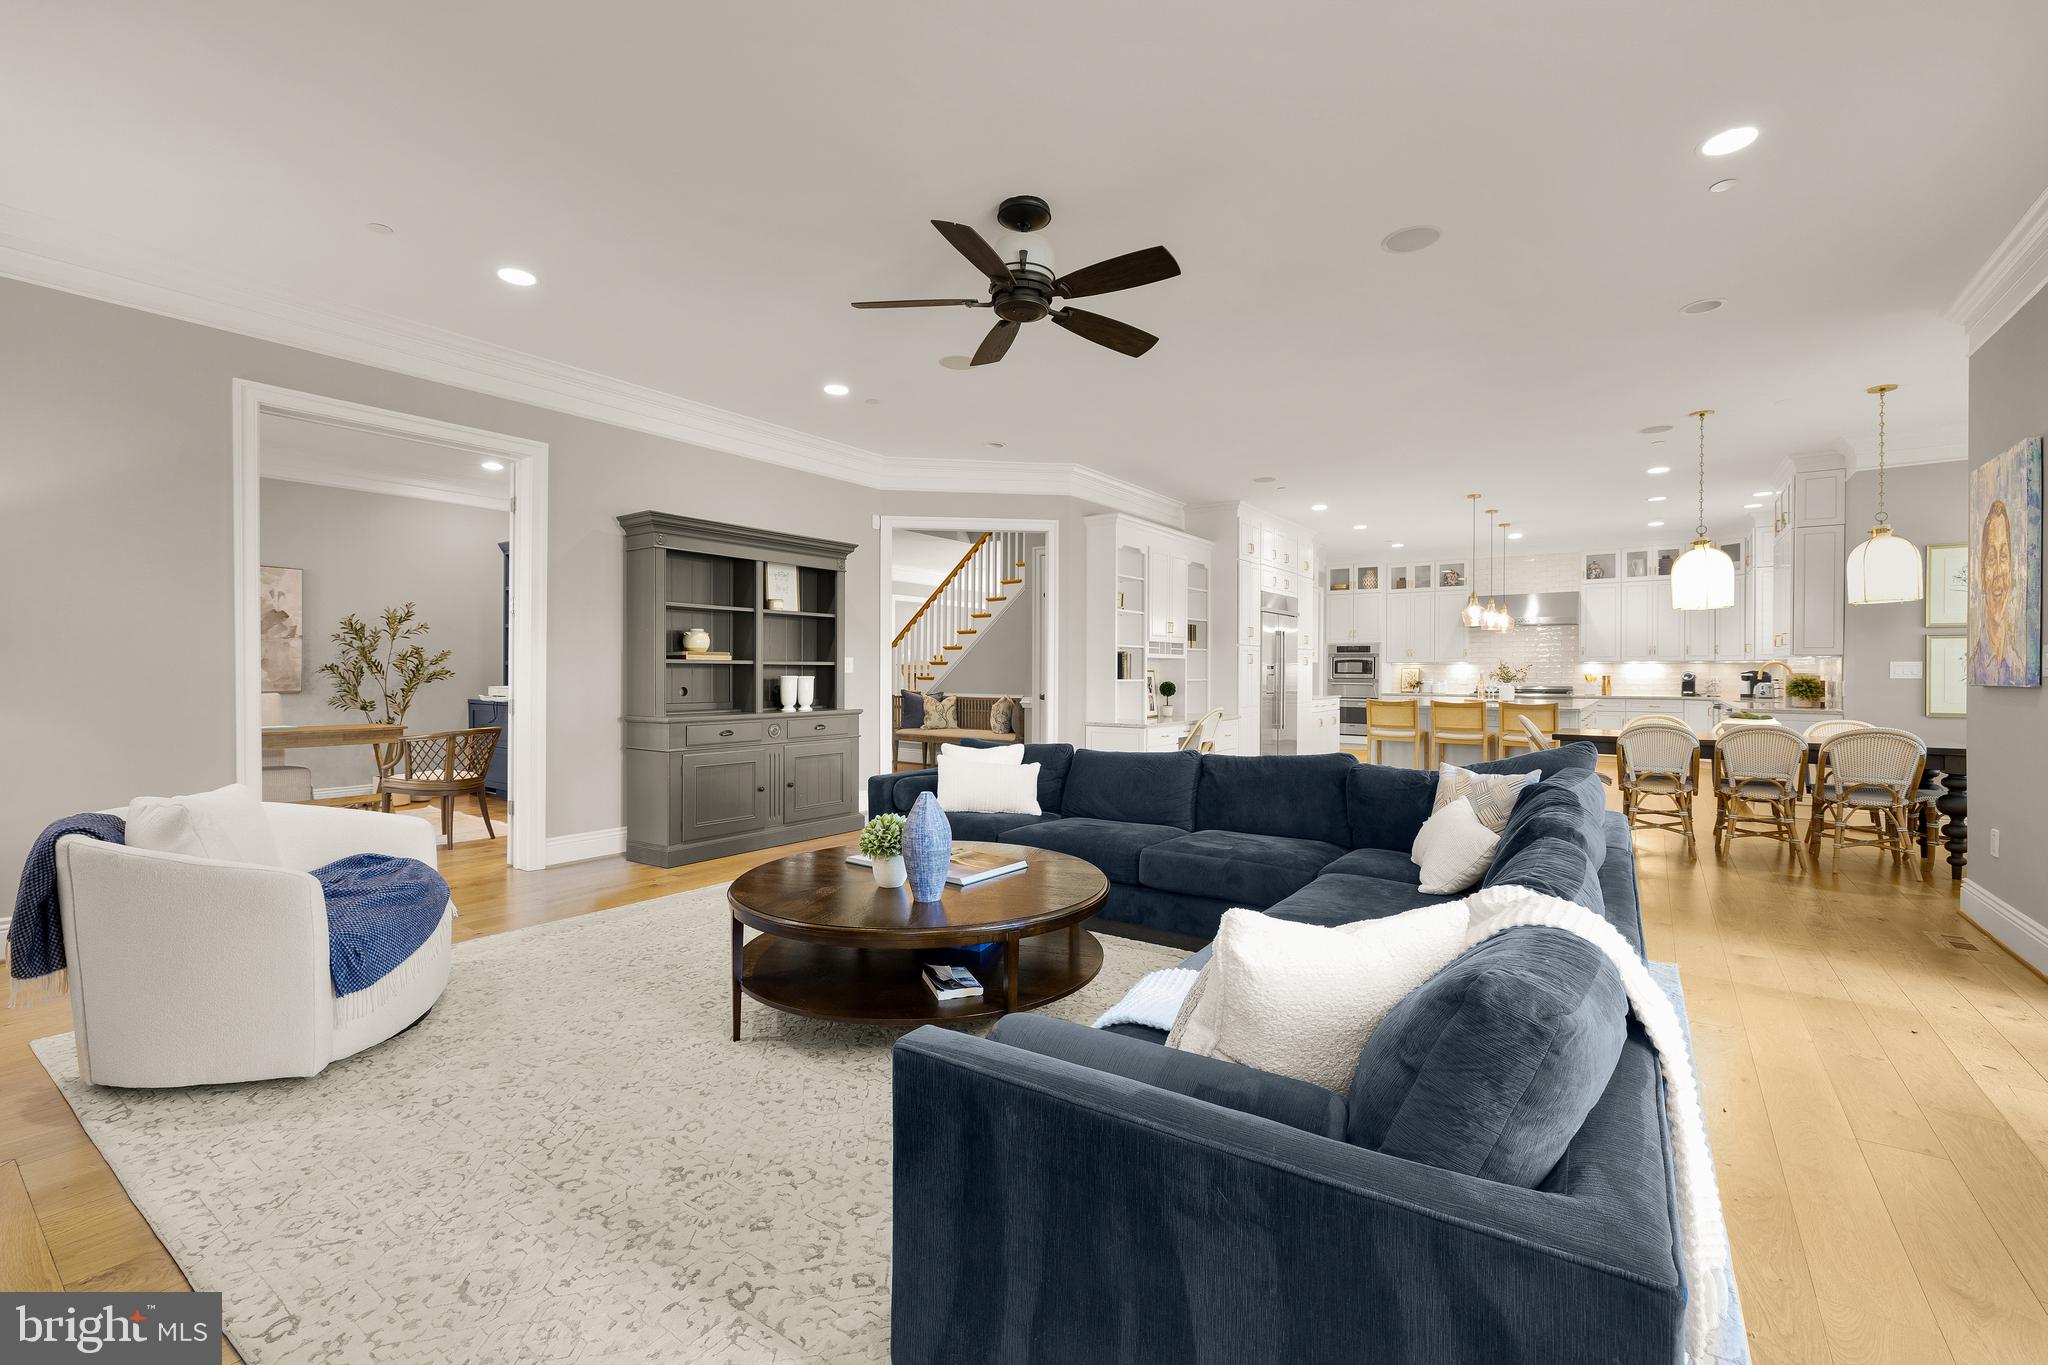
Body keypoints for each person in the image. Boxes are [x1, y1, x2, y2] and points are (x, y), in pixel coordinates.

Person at [1971, 498, 2019, 684]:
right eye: (1991, 559)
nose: (1999, 571)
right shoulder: (1974, 667)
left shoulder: (2019, 667)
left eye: (2004, 556)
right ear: (1982, 574)